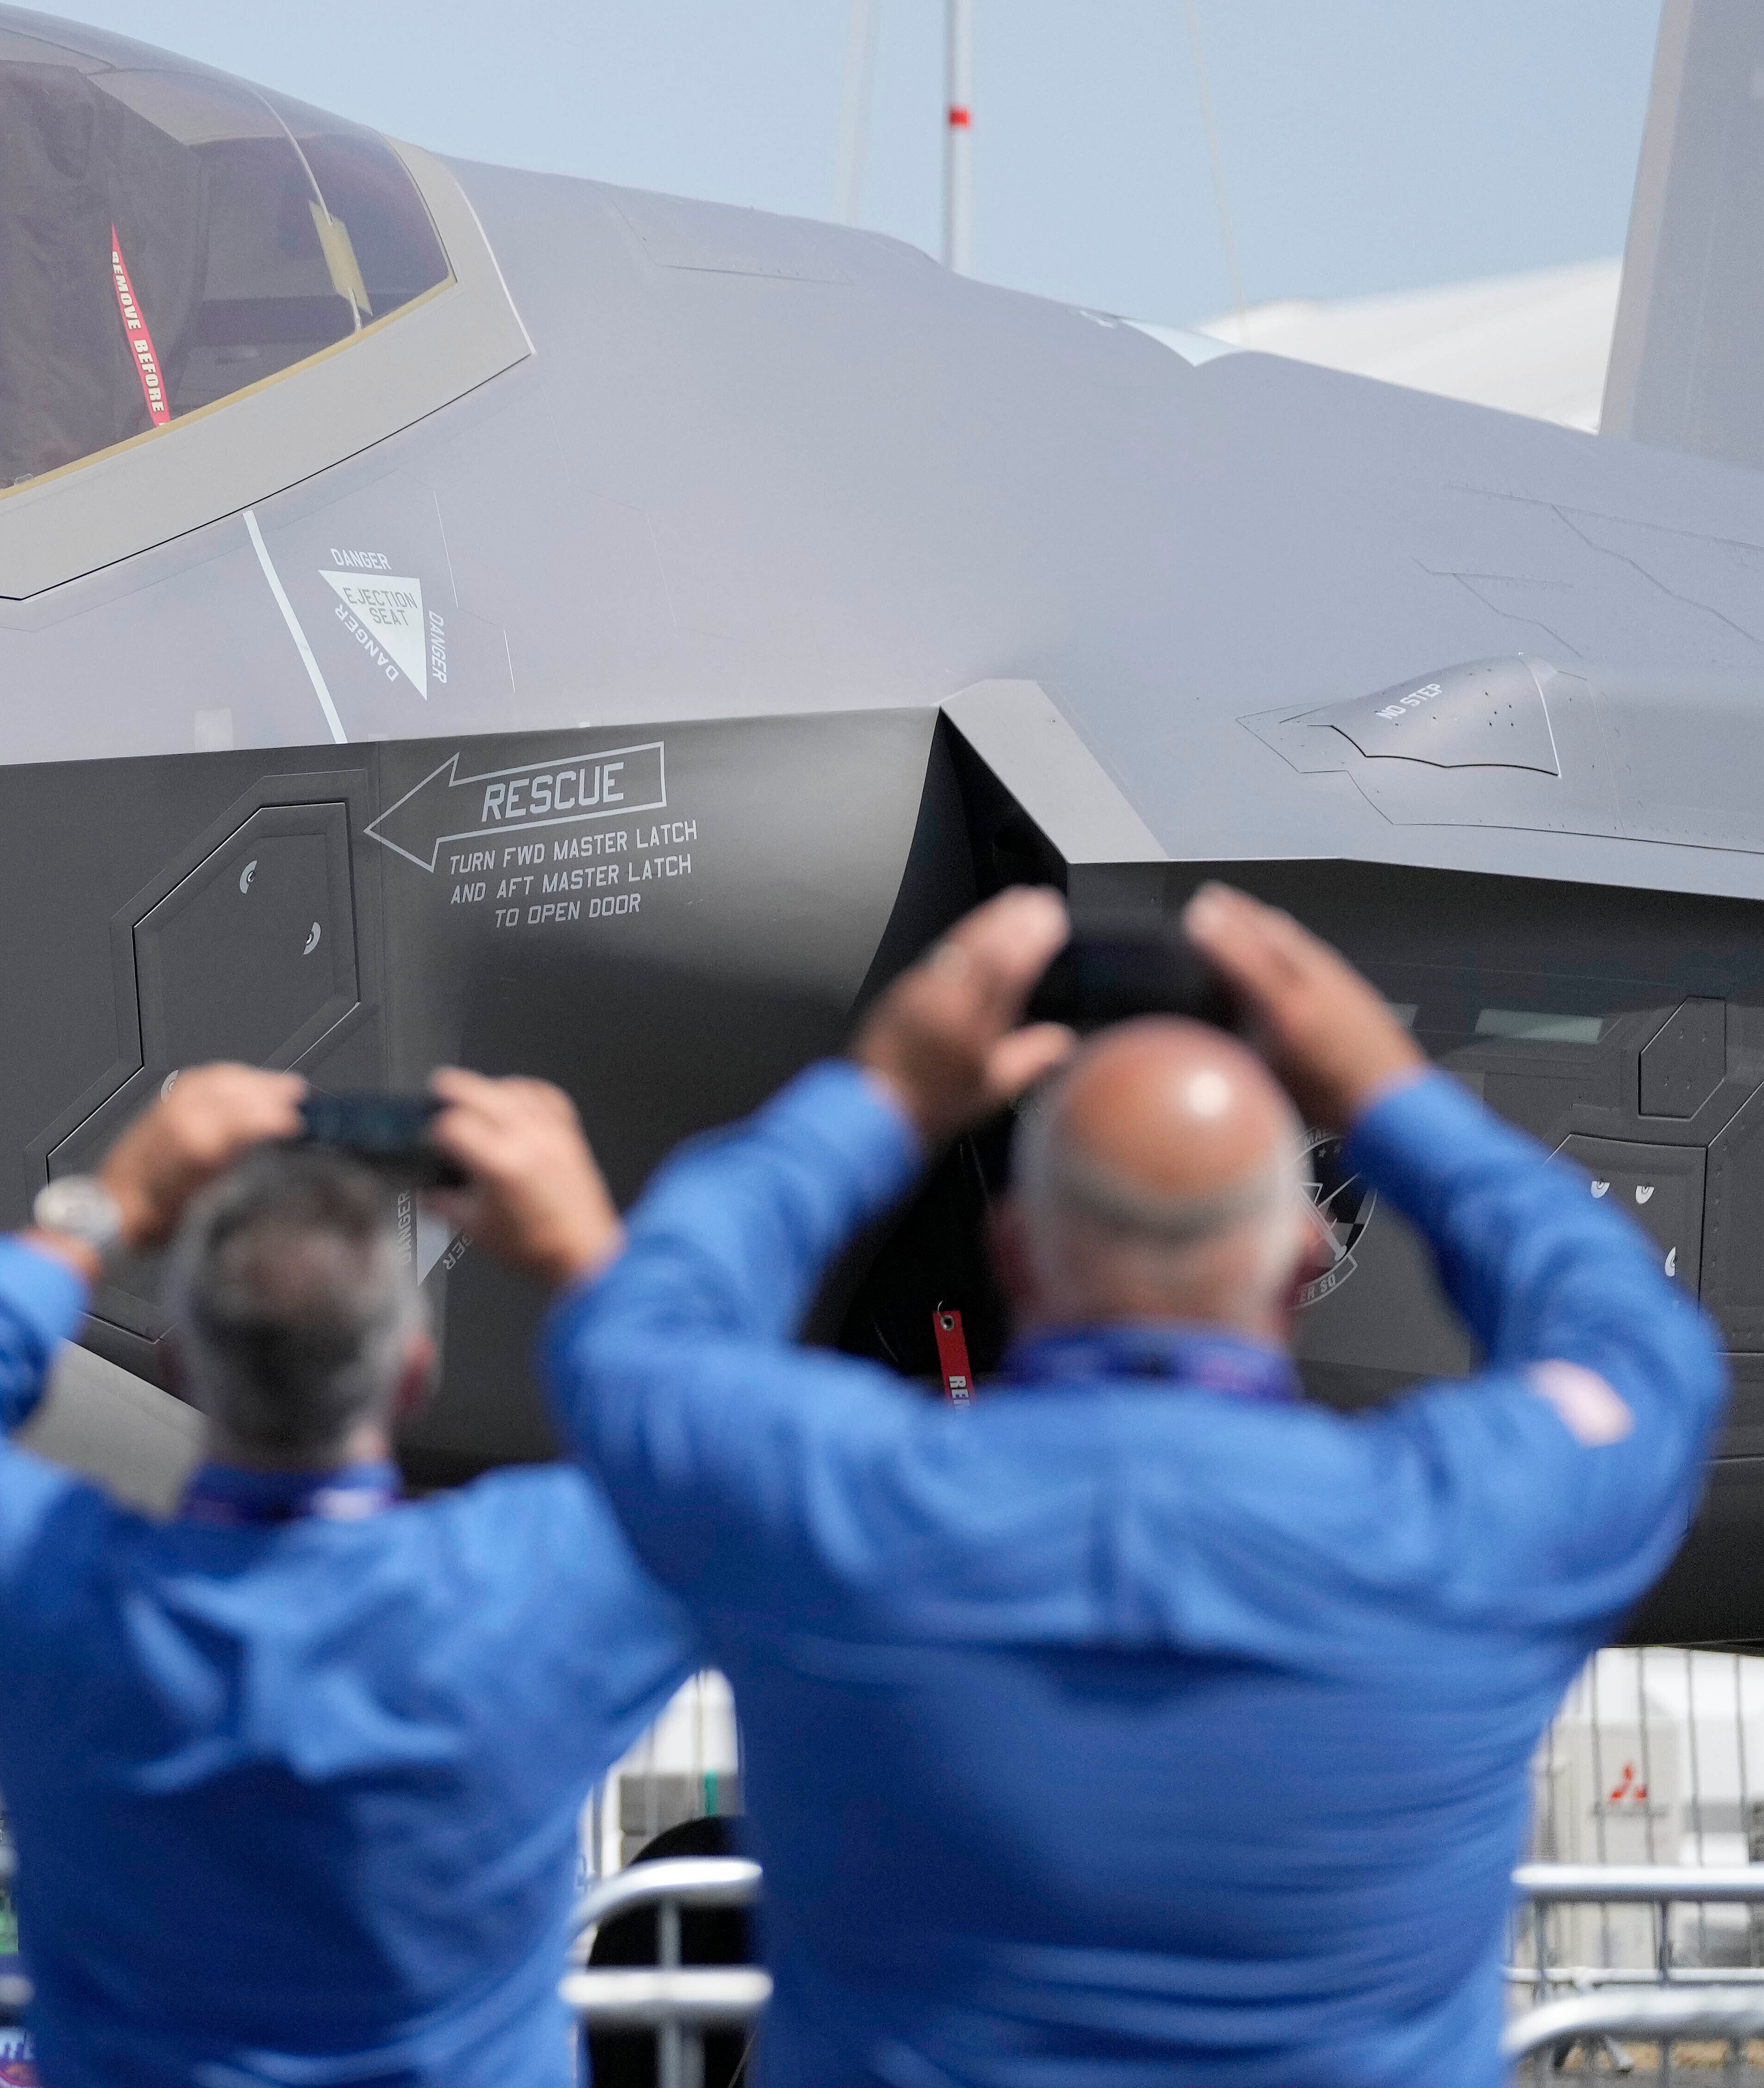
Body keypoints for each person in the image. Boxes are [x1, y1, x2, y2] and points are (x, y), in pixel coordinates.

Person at [448, 882, 1722, 2086]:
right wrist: (1387, 1093)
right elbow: (1645, 1352)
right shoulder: (1453, 1532)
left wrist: (882, 1092)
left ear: (1011, 1247)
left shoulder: (851, 1512)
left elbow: (637, 1335)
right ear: (1304, 1253)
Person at [0, 1066, 697, 2088]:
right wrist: (580, 1241)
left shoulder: (66, 1605)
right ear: (413, 1371)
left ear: (176, 1365)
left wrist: (109, 1203)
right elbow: (723, 1460)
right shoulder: (527, 1597)